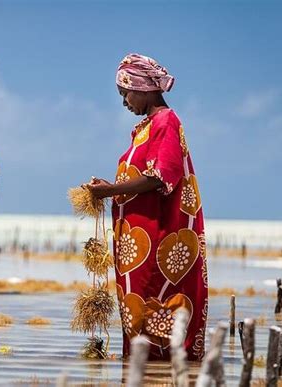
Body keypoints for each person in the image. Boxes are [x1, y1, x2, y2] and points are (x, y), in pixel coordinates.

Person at [87, 54, 207, 360]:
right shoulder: (147, 127)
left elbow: (160, 177)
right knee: (138, 305)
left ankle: (158, 369)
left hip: (157, 237)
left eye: (124, 93)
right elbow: (142, 176)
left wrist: (111, 190)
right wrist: (111, 187)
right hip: (139, 241)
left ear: (143, 87)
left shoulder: (166, 122)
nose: (124, 102)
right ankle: (144, 371)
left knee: (156, 299)